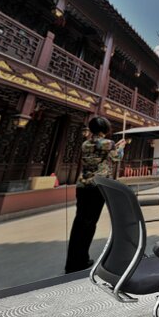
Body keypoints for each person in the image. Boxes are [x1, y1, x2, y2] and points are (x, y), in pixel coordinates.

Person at [64, 116, 125, 274]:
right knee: (90, 222)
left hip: (82, 185)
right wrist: (121, 147)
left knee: (79, 221)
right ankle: (81, 260)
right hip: (97, 186)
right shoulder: (108, 143)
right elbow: (116, 158)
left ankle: (72, 261)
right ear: (105, 129)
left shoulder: (85, 144)